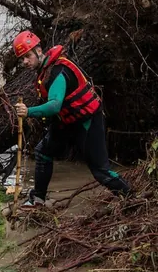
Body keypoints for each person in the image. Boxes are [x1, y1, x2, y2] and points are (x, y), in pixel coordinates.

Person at [13, 30, 131, 208]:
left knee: (100, 172)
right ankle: (38, 200)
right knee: (43, 152)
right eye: (22, 59)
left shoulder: (58, 71)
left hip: (87, 121)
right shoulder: (45, 71)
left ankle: (130, 197)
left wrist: (28, 111)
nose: (25, 62)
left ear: (38, 50)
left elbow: (54, 106)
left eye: (27, 56)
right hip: (67, 122)